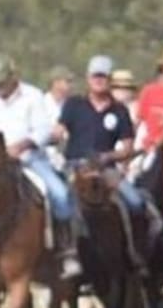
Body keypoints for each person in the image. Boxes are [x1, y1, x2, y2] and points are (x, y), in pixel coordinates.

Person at [0, 54, 81, 278]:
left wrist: (21, 145)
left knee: (58, 194)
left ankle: (66, 251)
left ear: (13, 77)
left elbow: (42, 130)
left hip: (29, 159)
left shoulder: (33, 96)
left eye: (1, 81)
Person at [57, 55, 151, 270]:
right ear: (88, 78)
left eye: (103, 76)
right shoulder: (74, 105)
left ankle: (135, 252)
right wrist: (51, 137)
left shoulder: (119, 110)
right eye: (95, 76)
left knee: (135, 202)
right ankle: (68, 252)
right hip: (76, 165)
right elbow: (59, 131)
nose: (99, 80)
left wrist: (108, 156)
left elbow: (127, 147)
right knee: (62, 198)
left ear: (110, 80)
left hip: (106, 168)